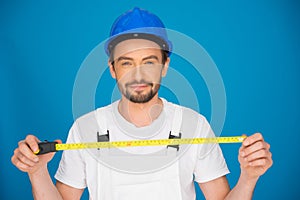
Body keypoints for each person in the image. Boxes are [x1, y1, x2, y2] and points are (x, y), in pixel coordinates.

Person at [11, 7, 272, 200]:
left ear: (165, 66)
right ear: (112, 69)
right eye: (127, 63)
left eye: (149, 62)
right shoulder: (85, 128)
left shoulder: (193, 126)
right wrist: (37, 172)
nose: (138, 75)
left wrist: (249, 177)